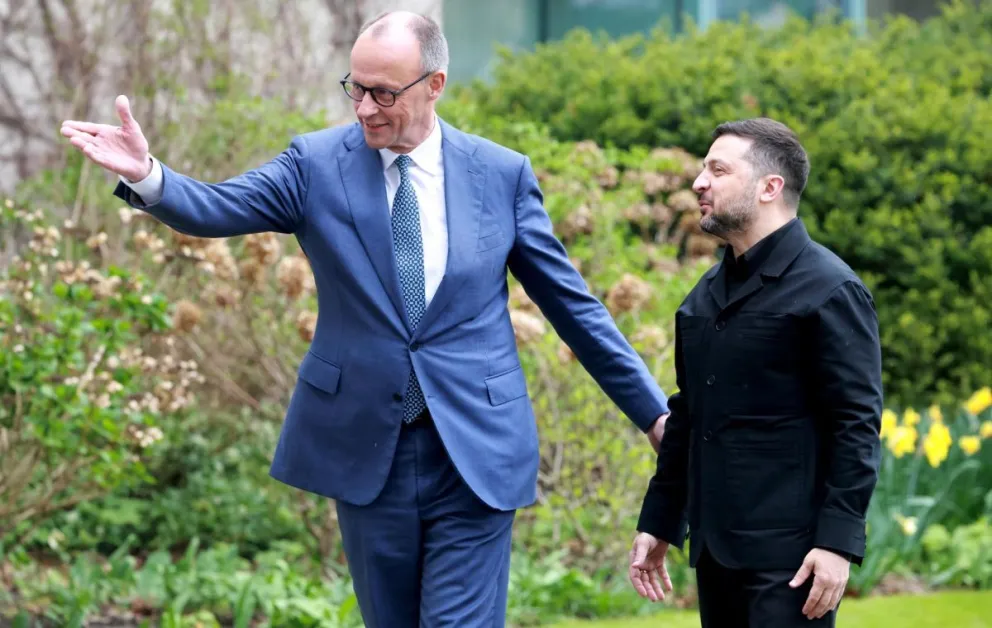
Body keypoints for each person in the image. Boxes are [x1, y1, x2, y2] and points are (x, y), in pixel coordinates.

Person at [61, 11, 671, 628]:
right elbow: (221, 206)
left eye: (384, 92)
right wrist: (148, 175)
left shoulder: (501, 174)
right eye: (355, 87)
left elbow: (573, 307)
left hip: (476, 447)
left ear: (434, 84)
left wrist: (652, 414)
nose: (365, 107)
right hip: (366, 444)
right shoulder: (315, 164)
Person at [627, 118, 883, 627]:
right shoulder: (702, 297)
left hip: (792, 563)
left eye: (717, 169)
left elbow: (856, 425)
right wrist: (658, 521)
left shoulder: (831, 290)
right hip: (716, 557)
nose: (699, 182)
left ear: (771, 187)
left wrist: (836, 543)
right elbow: (688, 417)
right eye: (702, 169)